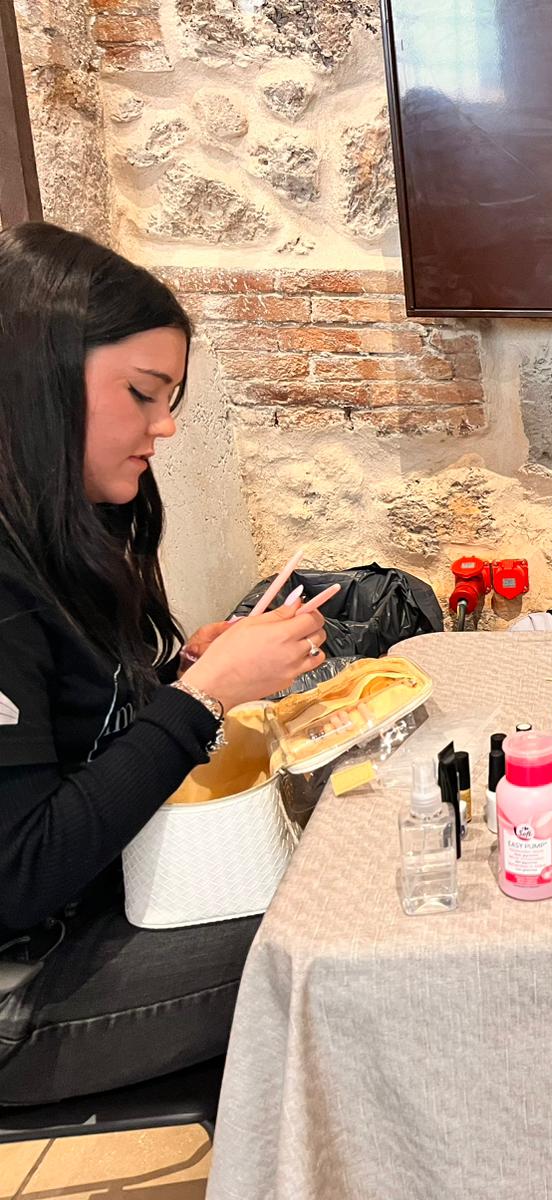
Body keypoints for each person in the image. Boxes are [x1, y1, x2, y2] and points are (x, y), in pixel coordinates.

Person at [0, 222, 331, 1105]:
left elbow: (78, 733)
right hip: (25, 986)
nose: (167, 425)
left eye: (171, 397)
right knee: (335, 932)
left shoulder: (60, 527)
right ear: (37, 378)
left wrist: (180, 674)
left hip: (101, 897)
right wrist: (200, 698)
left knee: (333, 855)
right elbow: (21, 875)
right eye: (143, 394)